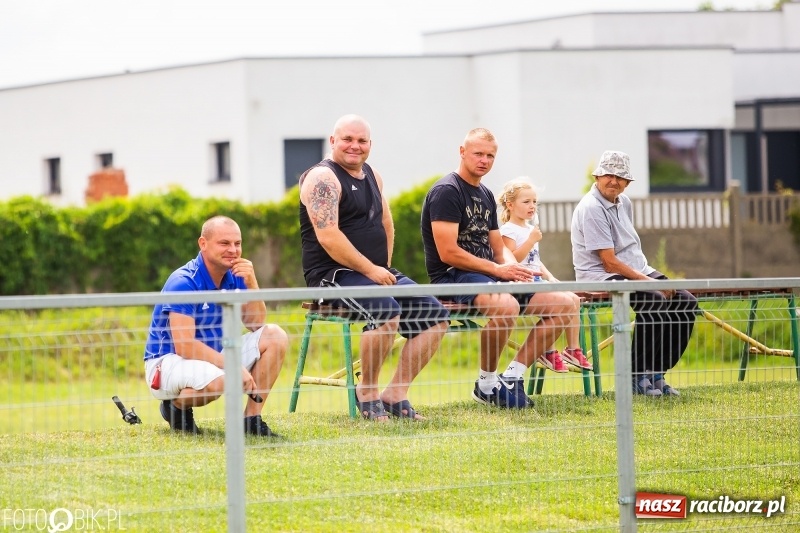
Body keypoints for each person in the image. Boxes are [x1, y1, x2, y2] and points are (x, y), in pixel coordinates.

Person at [299, 114, 450, 421]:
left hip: (374, 272)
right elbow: (328, 237)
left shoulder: (373, 175)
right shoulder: (322, 178)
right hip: (332, 276)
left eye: (362, 140)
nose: (354, 146)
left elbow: (386, 222)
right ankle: (366, 392)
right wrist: (371, 270)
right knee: (386, 309)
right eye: (347, 139)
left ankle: (395, 394)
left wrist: (384, 267)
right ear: (333, 141)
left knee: (436, 316)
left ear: (370, 144)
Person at [420, 128, 578, 409]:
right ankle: (486, 384)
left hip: (489, 274)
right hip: (454, 275)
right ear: (462, 152)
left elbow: (497, 246)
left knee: (564, 304)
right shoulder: (447, 191)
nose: (484, 160)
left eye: (490, 156)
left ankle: (512, 377)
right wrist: (497, 270)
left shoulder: (485, 194)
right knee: (507, 307)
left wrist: (512, 268)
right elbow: (448, 253)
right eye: (478, 154)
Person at [143, 216, 288, 435]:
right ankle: (175, 407)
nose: (233, 250)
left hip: (212, 356)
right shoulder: (183, 281)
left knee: (275, 336)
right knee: (223, 381)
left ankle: (251, 420)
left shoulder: (236, 275)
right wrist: (232, 365)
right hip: (167, 362)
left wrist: (252, 282)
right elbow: (185, 346)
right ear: (203, 243)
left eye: (237, 243)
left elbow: (256, 323)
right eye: (224, 243)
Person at [571, 150, 699, 396]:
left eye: (620, 177)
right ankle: (636, 376)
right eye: (608, 175)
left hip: (635, 269)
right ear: (598, 177)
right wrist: (651, 283)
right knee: (654, 299)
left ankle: (656, 373)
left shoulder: (624, 202)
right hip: (600, 275)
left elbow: (627, 251)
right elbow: (609, 262)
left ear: (627, 183)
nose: (614, 181)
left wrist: (650, 278)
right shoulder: (591, 208)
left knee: (686, 301)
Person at [497, 178, 592, 372]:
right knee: (558, 306)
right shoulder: (508, 230)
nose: (532, 206)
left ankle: (573, 349)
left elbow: (535, 259)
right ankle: (547, 351)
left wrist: (549, 275)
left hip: (537, 280)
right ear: (510, 205)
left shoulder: (530, 230)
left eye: (534, 202)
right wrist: (531, 241)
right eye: (526, 202)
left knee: (574, 299)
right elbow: (511, 259)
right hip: (521, 284)